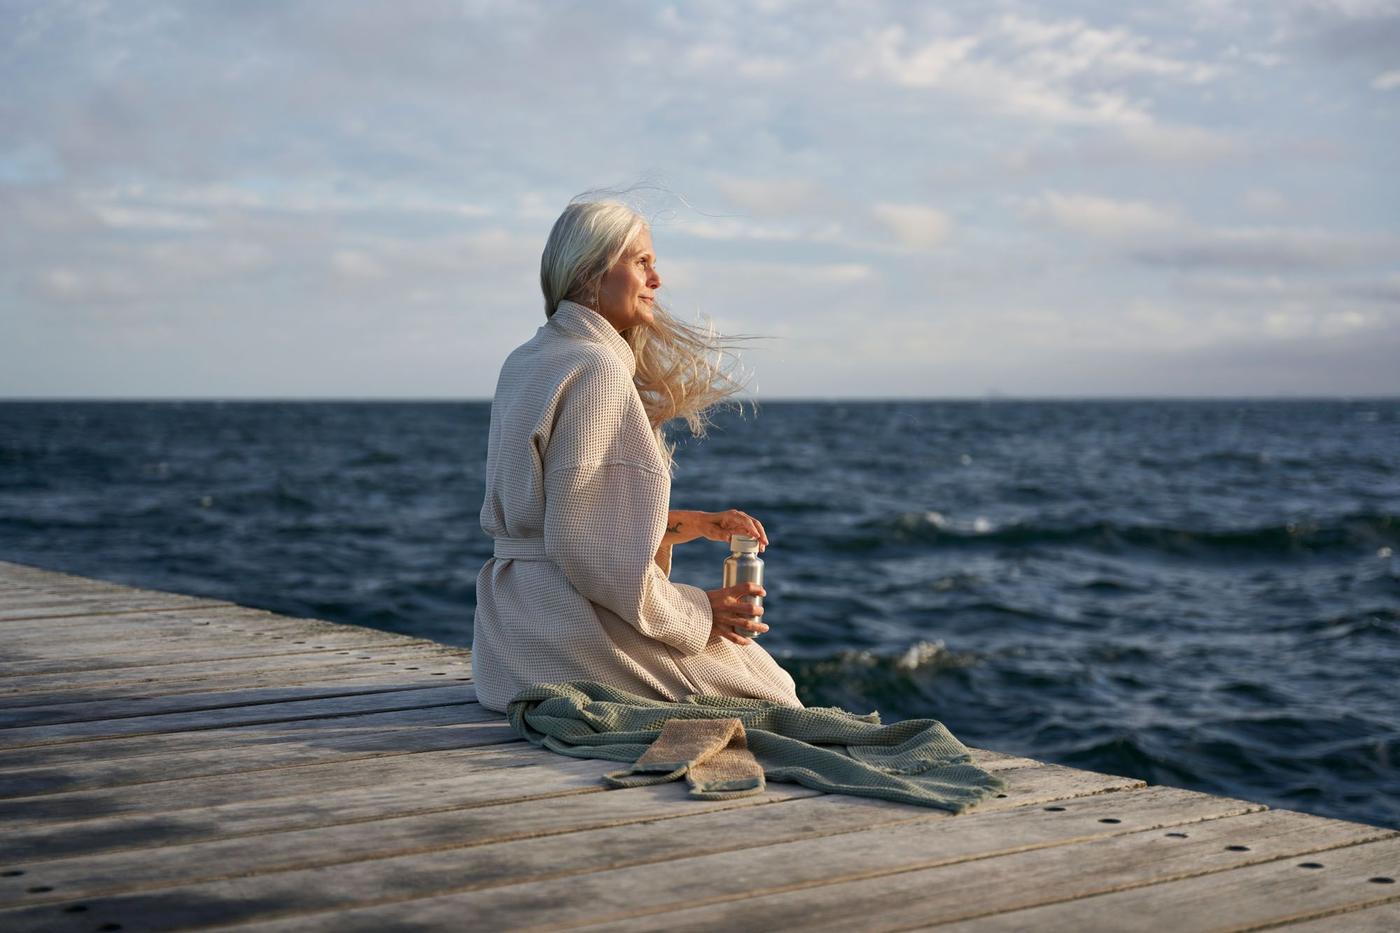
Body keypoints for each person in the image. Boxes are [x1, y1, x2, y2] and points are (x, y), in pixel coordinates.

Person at [471, 197, 803, 713]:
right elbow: (589, 552)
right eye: (641, 261)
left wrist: (684, 524)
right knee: (773, 693)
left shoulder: (527, 359)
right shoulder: (598, 367)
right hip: (567, 634)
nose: (657, 279)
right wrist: (699, 614)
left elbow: (557, 516)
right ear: (591, 272)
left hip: (509, 638)